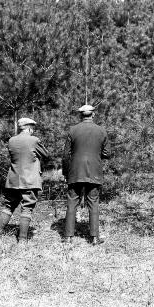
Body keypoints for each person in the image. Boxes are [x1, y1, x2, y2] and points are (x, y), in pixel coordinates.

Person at [62, 104, 110, 245]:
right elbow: (107, 153)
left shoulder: (73, 130)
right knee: (93, 203)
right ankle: (94, 238)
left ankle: (68, 237)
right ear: (93, 115)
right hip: (94, 171)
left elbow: (66, 155)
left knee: (72, 202)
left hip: (75, 172)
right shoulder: (101, 131)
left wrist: (66, 172)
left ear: (80, 115)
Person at [0, 117, 49, 243]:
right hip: (29, 180)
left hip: (13, 179)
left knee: (8, 206)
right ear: (30, 128)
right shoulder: (34, 140)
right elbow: (46, 155)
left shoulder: (11, 140)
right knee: (27, 208)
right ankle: (22, 240)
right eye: (33, 129)